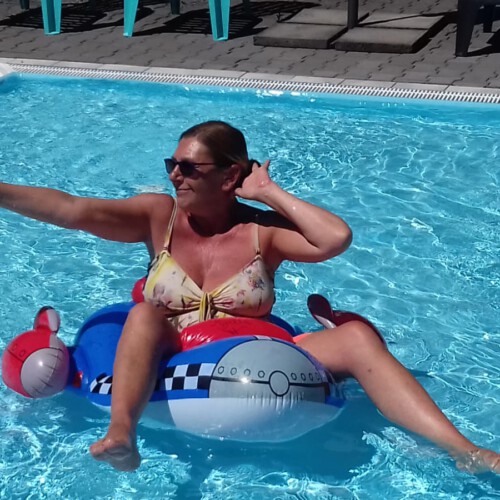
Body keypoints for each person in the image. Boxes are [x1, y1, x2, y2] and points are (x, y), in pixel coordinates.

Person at [1, 121, 499, 474]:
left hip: (256, 345)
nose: (175, 175)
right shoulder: (159, 217)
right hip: (176, 348)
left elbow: (336, 239)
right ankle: (122, 435)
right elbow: (73, 210)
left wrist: (269, 192)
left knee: (355, 340)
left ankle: (463, 450)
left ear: (229, 175)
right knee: (145, 315)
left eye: (189, 168)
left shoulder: (263, 231)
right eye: (172, 164)